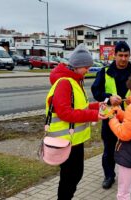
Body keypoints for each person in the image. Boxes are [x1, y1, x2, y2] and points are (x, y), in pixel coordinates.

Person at [45, 43, 106, 199]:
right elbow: (65, 113)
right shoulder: (65, 83)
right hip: (65, 140)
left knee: (74, 176)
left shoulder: (75, 81)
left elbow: (81, 106)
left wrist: (99, 106)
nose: (88, 70)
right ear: (77, 66)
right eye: (86, 66)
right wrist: (93, 115)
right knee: (70, 177)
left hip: (74, 140)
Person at [91, 41, 131, 189]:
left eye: (126, 55)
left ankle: (129, 177)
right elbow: (96, 92)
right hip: (110, 118)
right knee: (109, 150)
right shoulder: (104, 72)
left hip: (130, 118)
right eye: (120, 55)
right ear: (114, 55)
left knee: (130, 149)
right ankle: (109, 175)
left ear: (130, 55)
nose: (123, 59)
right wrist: (108, 98)